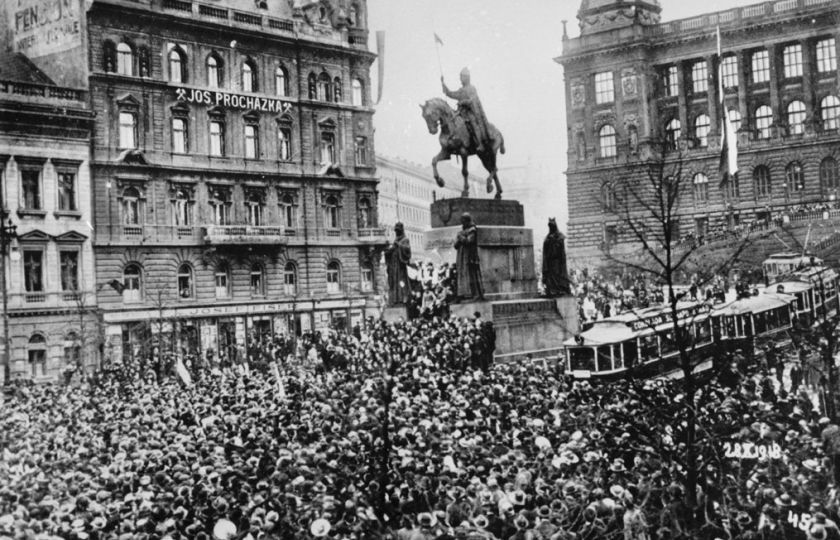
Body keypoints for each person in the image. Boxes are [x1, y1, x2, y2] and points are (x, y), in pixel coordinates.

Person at [442, 67, 490, 154]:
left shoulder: (472, 88)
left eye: (462, 77)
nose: (460, 79)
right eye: (460, 77)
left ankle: (480, 144)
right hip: (461, 113)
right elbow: (451, 94)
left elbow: (472, 100)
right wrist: (443, 83)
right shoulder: (461, 90)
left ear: (467, 77)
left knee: (473, 123)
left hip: (470, 113)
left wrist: (463, 102)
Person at [454, 212, 484, 301]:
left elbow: (469, 241)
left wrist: (461, 238)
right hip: (461, 257)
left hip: (469, 256)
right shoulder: (461, 232)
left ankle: (474, 294)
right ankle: (463, 293)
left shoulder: (472, 229)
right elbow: (455, 245)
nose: (462, 223)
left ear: (467, 220)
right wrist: (459, 239)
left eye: (463, 221)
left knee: (471, 275)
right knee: (462, 274)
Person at [384, 222, 413, 306]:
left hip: (400, 266)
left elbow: (407, 250)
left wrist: (399, 246)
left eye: (398, 230)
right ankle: (394, 299)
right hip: (393, 265)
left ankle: (402, 298)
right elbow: (391, 250)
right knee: (393, 282)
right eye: (396, 231)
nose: (396, 232)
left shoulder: (405, 239)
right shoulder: (395, 240)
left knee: (401, 282)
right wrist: (387, 251)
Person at [542, 218, 571, 297]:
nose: (551, 227)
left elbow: (561, 250)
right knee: (551, 277)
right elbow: (545, 250)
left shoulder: (559, 236)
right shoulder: (547, 238)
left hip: (558, 262)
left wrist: (555, 242)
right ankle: (553, 290)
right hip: (550, 262)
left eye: (552, 226)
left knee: (559, 276)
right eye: (550, 226)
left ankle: (560, 289)